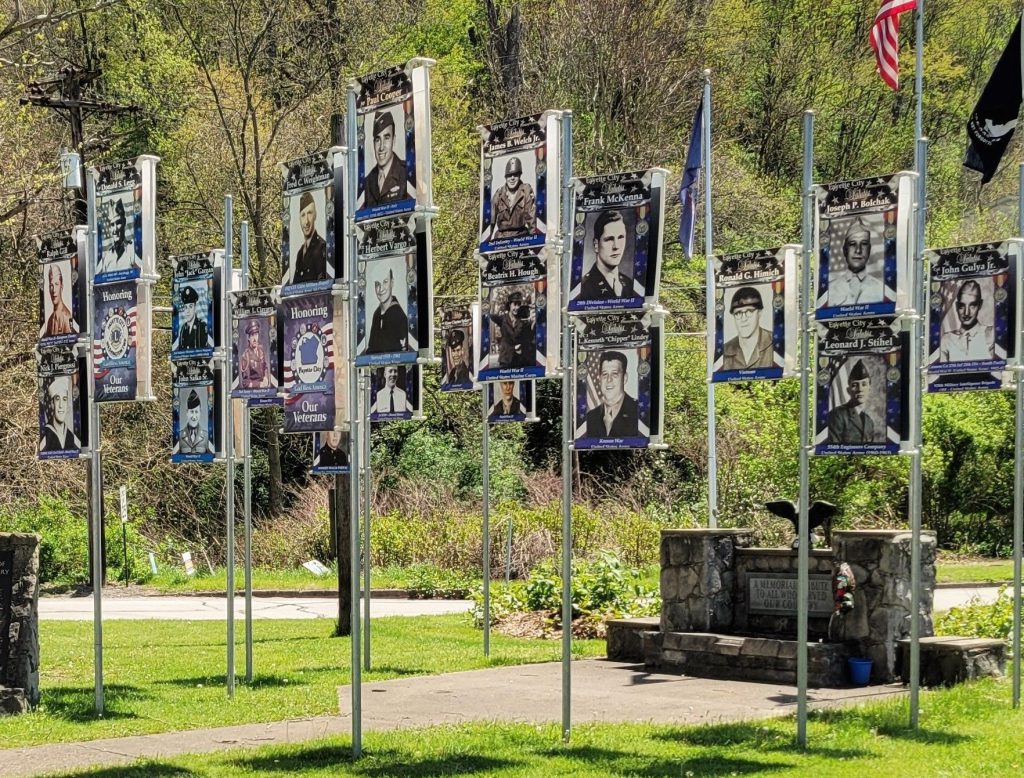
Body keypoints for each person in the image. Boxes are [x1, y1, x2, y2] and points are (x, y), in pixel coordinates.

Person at [828, 217, 883, 307]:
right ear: (845, 250)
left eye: (864, 244)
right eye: (852, 244)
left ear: (869, 250)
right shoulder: (828, 291)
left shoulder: (884, 291)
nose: (858, 250)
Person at [579, 210, 634, 300]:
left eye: (620, 237)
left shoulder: (629, 284)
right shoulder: (583, 287)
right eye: (609, 239)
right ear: (596, 244)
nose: (616, 246)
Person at [584, 350, 639, 437]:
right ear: (600, 379)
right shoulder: (590, 417)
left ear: (624, 378)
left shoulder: (638, 411)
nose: (609, 380)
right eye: (605, 374)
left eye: (614, 374)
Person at [940, 279, 995, 362]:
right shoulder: (947, 340)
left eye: (972, 306)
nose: (966, 313)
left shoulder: (991, 335)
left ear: (980, 305)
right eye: (962, 306)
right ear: (956, 306)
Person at [721, 286, 774, 370]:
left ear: (759, 313)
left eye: (749, 311)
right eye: (738, 313)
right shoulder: (724, 350)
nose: (743, 318)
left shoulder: (775, 343)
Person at [827, 359, 878, 444]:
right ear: (848, 390)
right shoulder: (837, 415)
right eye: (855, 385)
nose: (860, 389)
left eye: (864, 384)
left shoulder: (869, 421)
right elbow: (832, 448)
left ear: (870, 389)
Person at [363, 110, 408, 208]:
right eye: (378, 140)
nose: (381, 147)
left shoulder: (405, 173)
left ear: (394, 140)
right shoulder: (368, 181)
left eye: (386, 138)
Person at [486, 156, 536, 241]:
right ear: (506, 177)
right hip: (501, 240)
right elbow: (490, 221)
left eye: (515, 175)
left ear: (520, 175)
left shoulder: (526, 190)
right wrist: (485, 246)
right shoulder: (498, 194)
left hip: (521, 238)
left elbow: (532, 219)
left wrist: (535, 242)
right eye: (509, 175)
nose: (512, 178)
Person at [366, 267, 410, 353]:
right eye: (377, 284)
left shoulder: (399, 316)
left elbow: (404, 352)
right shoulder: (377, 314)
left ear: (392, 283)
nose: (381, 289)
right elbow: (371, 347)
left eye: (385, 282)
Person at [489, 290, 536, 369]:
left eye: (519, 305)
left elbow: (529, 337)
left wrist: (533, 323)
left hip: (520, 360)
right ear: (509, 305)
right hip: (506, 359)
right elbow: (491, 315)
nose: (517, 307)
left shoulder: (523, 321)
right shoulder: (503, 319)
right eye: (514, 304)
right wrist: (493, 301)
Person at [292, 191, 327, 284]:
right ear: (299, 219)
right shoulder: (300, 253)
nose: (306, 221)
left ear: (315, 215)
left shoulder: (322, 247)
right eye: (303, 215)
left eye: (309, 213)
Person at [39, 374, 79, 452]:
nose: (61, 405)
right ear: (52, 404)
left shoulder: (73, 437)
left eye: (64, 399)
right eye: (57, 399)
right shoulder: (45, 438)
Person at [174, 285, 212, 351]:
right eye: (185, 307)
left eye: (190, 306)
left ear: (195, 308)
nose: (187, 311)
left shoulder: (202, 326)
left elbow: (206, 350)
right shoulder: (183, 329)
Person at [43, 264, 76, 338]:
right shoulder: (50, 321)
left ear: (62, 286)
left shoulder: (66, 317)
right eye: (51, 285)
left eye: (56, 284)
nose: (53, 290)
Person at [177, 389, 212, 454]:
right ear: (187, 412)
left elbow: (210, 455)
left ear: (200, 413)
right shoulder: (179, 436)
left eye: (196, 412)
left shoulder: (207, 436)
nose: (194, 416)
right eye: (191, 412)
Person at [102, 198, 132, 274]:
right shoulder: (107, 257)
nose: (115, 229)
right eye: (112, 225)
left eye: (118, 223)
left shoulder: (131, 251)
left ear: (124, 222)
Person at [239, 319, 271, 389]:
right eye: (252, 335)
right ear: (248, 338)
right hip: (253, 393)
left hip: (265, 391)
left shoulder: (261, 350)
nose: (254, 339)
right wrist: (259, 385)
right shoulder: (245, 356)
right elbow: (245, 383)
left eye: (256, 335)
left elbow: (265, 366)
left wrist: (266, 377)